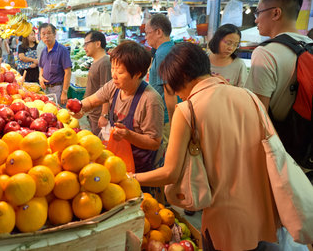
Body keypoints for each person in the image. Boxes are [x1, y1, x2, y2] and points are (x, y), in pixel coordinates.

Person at [134, 42, 279, 251]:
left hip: (225, 219)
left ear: (182, 76)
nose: (178, 94)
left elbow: (170, 173)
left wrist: (131, 178)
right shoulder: (249, 97)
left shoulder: (188, 110)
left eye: (174, 87)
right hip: (264, 211)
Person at [72, 40, 164, 173]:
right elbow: (91, 102)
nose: (114, 75)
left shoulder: (150, 100)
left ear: (138, 73)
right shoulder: (113, 86)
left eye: (120, 72)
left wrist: (128, 135)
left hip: (138, 167)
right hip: (115, 159)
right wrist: (79, 107)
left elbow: (154, 142)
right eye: (112, 68)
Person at [245, 0, 313, 122]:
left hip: (283, 140)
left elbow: (257, 115)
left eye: (258, 12)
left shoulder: (266, 52)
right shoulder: (310, 44)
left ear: (276, 13)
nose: (256, 20)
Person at [145, 14, 175, 149]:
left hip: (165, 117)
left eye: (147, 33)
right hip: (165, 115)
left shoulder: (164, 53)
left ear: (158, 32)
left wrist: (173, 120)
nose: (146, 37)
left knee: (164, 152)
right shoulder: (167, 49)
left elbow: (169, 90)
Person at [83, 31, 112, 136]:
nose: (84, 47)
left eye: (86, 44)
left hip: (99, 115)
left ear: (97, 44)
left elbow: (107, 90)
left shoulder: (105, 63)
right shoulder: (96, 61)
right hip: (93, 113)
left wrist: (104, 115)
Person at [38, 23, 72, 105]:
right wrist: (40, 77)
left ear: (54, 34)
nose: (46, 36)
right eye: (43, 34)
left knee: (58, 113)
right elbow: (41, 67)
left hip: (57, 89)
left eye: (49, 33)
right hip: (45, 89)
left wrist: (64, 92)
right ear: (40, 36)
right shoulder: (44, 51)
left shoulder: (62, 50)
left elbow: (68, 72)